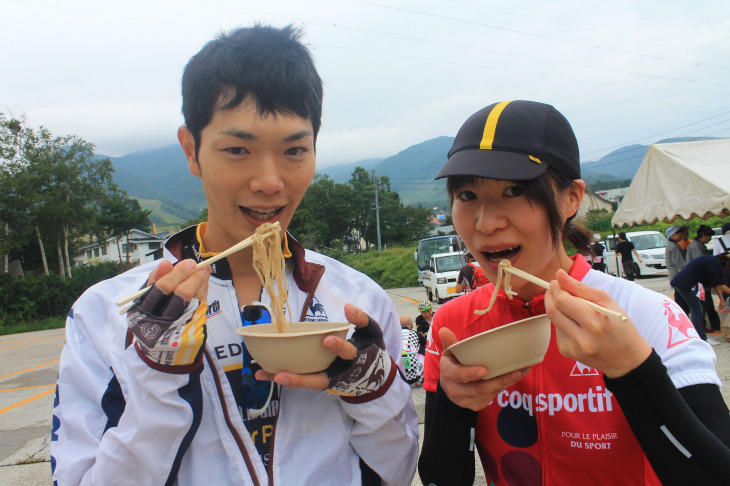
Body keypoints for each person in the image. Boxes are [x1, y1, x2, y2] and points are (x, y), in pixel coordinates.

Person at [51, 25, 418, 486]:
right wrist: (156, 374)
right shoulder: (106, 313)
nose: (270, 181)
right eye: (238, 149)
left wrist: (372, 389)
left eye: (294, 150)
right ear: (192, 150)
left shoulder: (355, 300)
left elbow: (399, 471)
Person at [418, 100, 730, 486]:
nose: (485, 223)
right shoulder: (455, 324)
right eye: (466, 196)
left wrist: (632, 368)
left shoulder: (645, 314)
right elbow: (440, 479)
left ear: (571, 198)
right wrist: (455, 404)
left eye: (514, 190)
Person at [670, 254, 730, 344]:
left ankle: (686, 336)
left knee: (684, 310)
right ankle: (701, 338)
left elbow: (717, 284)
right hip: (684, 283)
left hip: (680, 282)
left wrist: (722, 300)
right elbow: (720, 285)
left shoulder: (713, 261)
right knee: (697, 309)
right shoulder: (715, 263)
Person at [687, 225, 721, 332]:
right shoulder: (696, 246)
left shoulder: (699, 245)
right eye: (709, 236)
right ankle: (703, 326)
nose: (710, 239)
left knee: (705, 304)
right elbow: (700, 264)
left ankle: (710, 325)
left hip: (700, 280)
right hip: (699, 281)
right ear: (704, 235)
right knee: (704, 305)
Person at [666, 225, 691, 314]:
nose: (681, 235)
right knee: (682, 301)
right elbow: (680, 266)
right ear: (673, 234)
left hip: (675, 277)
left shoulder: (672, 245)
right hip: (678, 276)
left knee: (680, 299)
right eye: (680, 233)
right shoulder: (673, 246)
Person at [400, 316, 424, 385]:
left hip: (400, 377)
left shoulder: (394, 335)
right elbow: (425, 344)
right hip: (414, 377)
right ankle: (420, 378)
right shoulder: (416, 334)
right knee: (424, 347)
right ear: (412, 325)